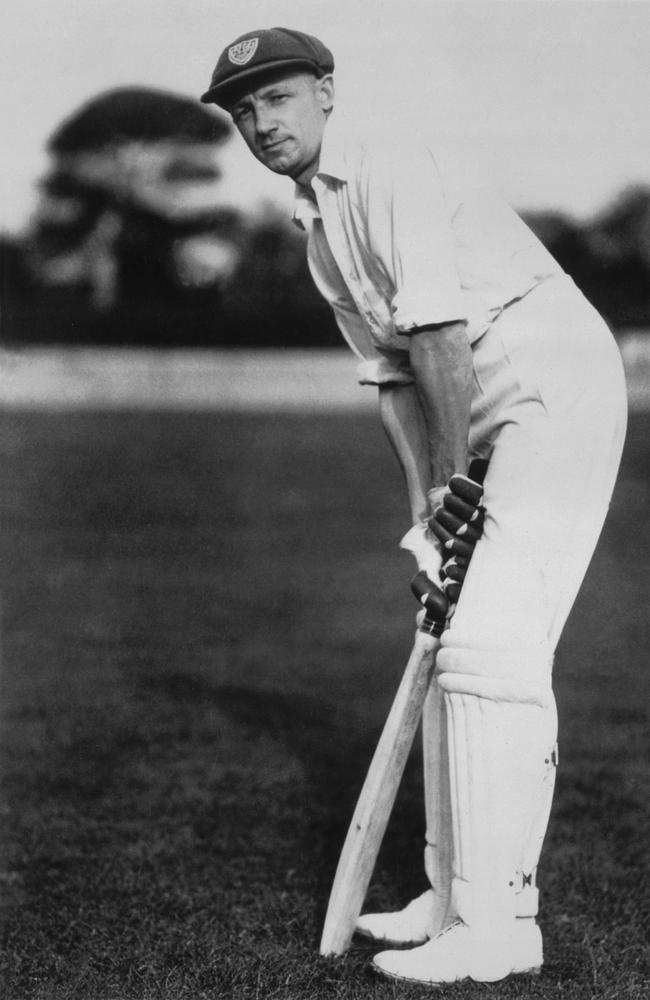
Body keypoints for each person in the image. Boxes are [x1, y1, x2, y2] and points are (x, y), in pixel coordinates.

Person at [200, 27, 627, 986]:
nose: (261, 123)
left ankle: (499, 928)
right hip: (470, 394)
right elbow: (393, 379)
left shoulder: (386, 166)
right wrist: (427, 527)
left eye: (277, 98)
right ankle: (453, 892)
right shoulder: (318, 229)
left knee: (489, 647)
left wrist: (448, 486)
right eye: (242, 112)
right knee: (448, 639)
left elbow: (438, 340)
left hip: (547, 372)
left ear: (325, 92)